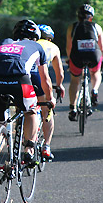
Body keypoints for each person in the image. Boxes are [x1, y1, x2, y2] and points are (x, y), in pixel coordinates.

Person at [0, 20, 56, 185]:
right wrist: (50, 98)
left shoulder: (2, 43)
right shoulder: (37, 47)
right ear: (35, 36)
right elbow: (45, 79)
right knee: (31, 110)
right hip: (21, 82)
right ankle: (29, 149)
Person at [30, 24, 65, 160]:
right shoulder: (54, 47)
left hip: (25, 78)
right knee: (47, 111)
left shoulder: (31, 43)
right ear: (50, 38)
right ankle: (46, 146)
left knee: (26, 108)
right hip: (40, 79)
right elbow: (60, 73)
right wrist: (59, 85)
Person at [66, 4, 103, 121]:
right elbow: (102, 48)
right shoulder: (97, 27)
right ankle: (95, 90)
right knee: (96, 73)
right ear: (91, 17)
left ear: (78, 16)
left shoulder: (72, 27)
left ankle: (73, 107)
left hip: (77, 56)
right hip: (94, 55)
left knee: (74, 80)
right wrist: (102, 59)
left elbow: (69, 47)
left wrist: (69, 59)